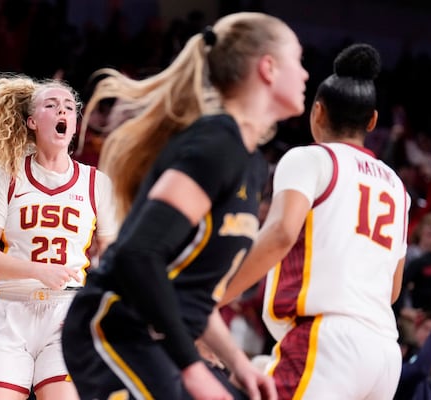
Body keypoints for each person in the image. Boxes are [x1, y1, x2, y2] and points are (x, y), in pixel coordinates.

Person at [61, 11, 309, 400]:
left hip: (156, 339)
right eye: (298, 60)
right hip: (114, 328)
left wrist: (239, 363)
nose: (306, 74)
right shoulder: (214, 145)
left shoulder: (253, 164)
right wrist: (192, 368)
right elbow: (138, 255)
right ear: (268, 68)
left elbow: (191, 291)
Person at [220, 43, 411, 399]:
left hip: (327, 342)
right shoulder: (397, 187)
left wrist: (215, 297)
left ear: (317, 112)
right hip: (385, 355)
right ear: (372, 121)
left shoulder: (310, 158)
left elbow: (280, 234)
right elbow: (394, 289)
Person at [0, 75, 119, 400]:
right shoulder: (6, 175)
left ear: (75, 125)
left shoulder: (96, 184)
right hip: (9, 309)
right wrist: (38, 270)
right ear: (33, 121)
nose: (62, 111)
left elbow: (113, 257)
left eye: (68, 107)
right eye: (51, 105)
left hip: (66, 310)